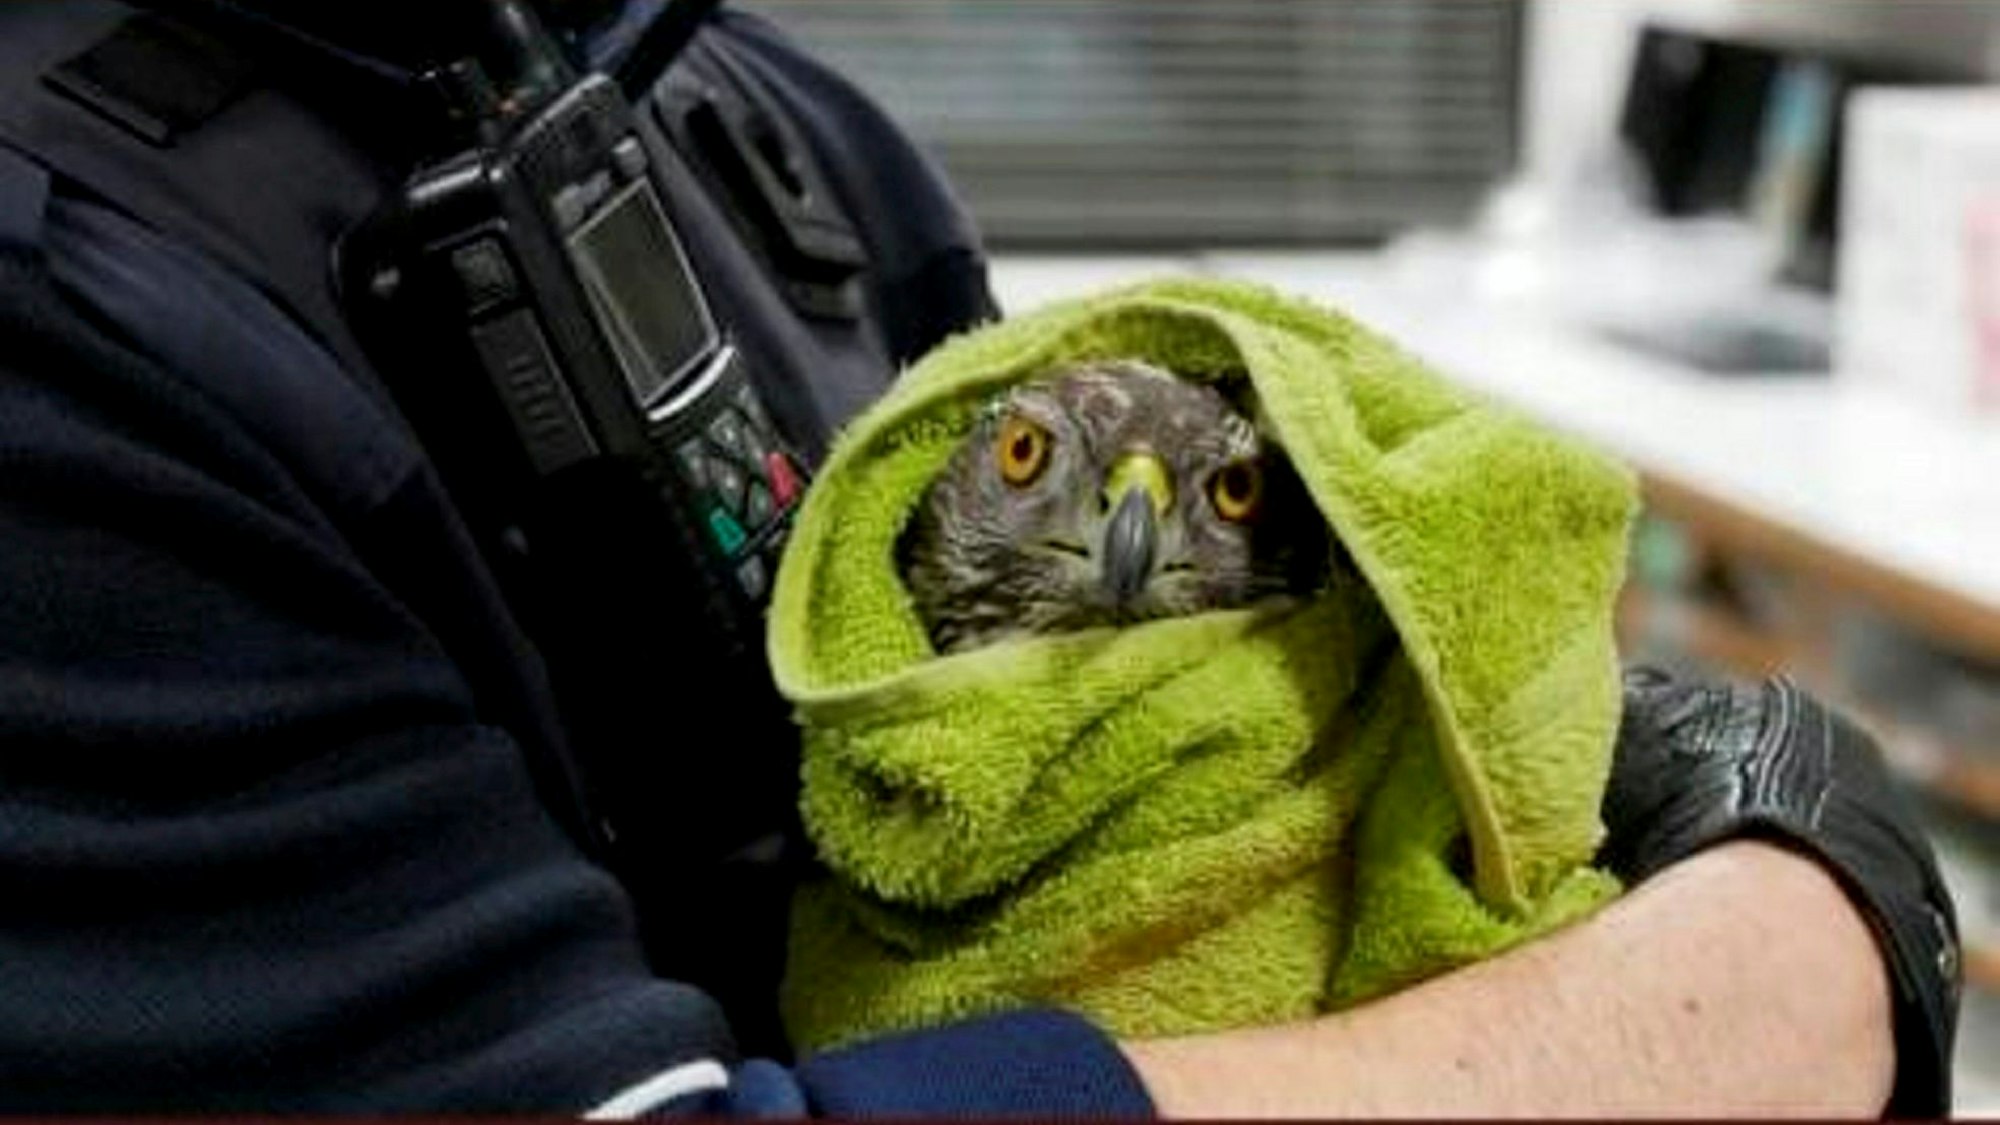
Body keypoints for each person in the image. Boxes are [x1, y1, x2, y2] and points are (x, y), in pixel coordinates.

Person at [0, 0, 1960, 1115]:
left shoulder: (755, 130)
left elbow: (1100, 690)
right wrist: (1744, 987)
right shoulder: (73, 327)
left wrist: (1471, 715)